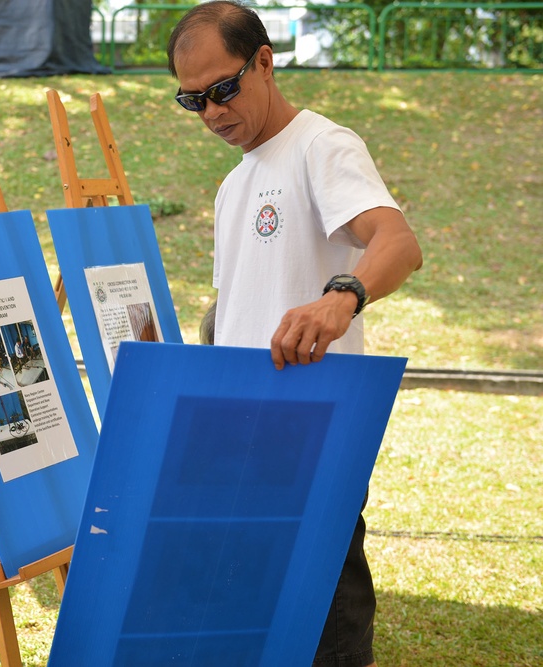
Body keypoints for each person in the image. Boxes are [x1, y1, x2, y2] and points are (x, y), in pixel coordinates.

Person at [167, 4, 422, 667]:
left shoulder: (321, 146)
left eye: (223, 89)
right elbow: (237, 307)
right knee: (251, 624)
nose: (213, 113)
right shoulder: (232, 185)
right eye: (192, 101)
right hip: (239, 443)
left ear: (264, 62)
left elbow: (397, 241)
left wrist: (344, 296)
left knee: (326, 627)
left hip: (313, 439)